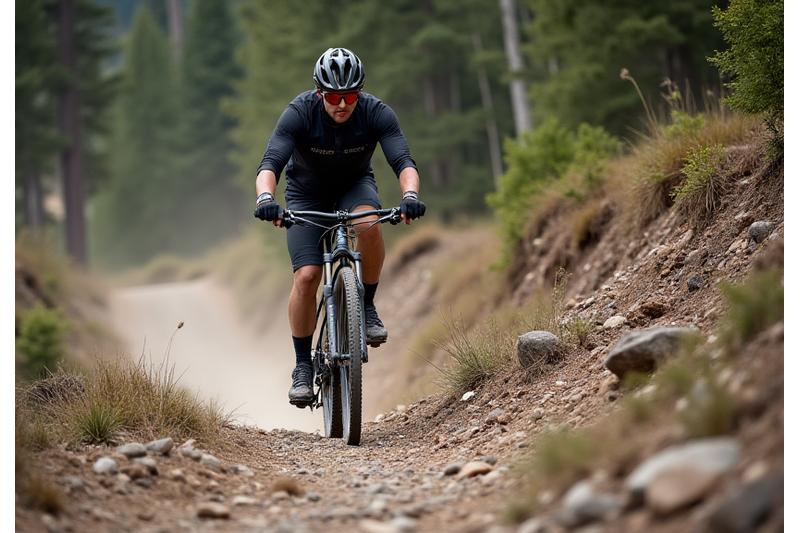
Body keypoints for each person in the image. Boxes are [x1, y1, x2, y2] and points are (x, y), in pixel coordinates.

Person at [253, 47, 426, 407]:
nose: (343, 104)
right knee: (307, 277)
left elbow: (403, 161)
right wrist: (266, 199)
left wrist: (410, 195)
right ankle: (302, 366)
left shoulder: (376, 112)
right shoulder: (299, 112)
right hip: (306, 194)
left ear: (360, 92)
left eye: (350, 96)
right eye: (334, 97)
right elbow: (270, 163)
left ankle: (367, 305)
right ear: (320, 93)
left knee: (369, 225)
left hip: (354, 186)